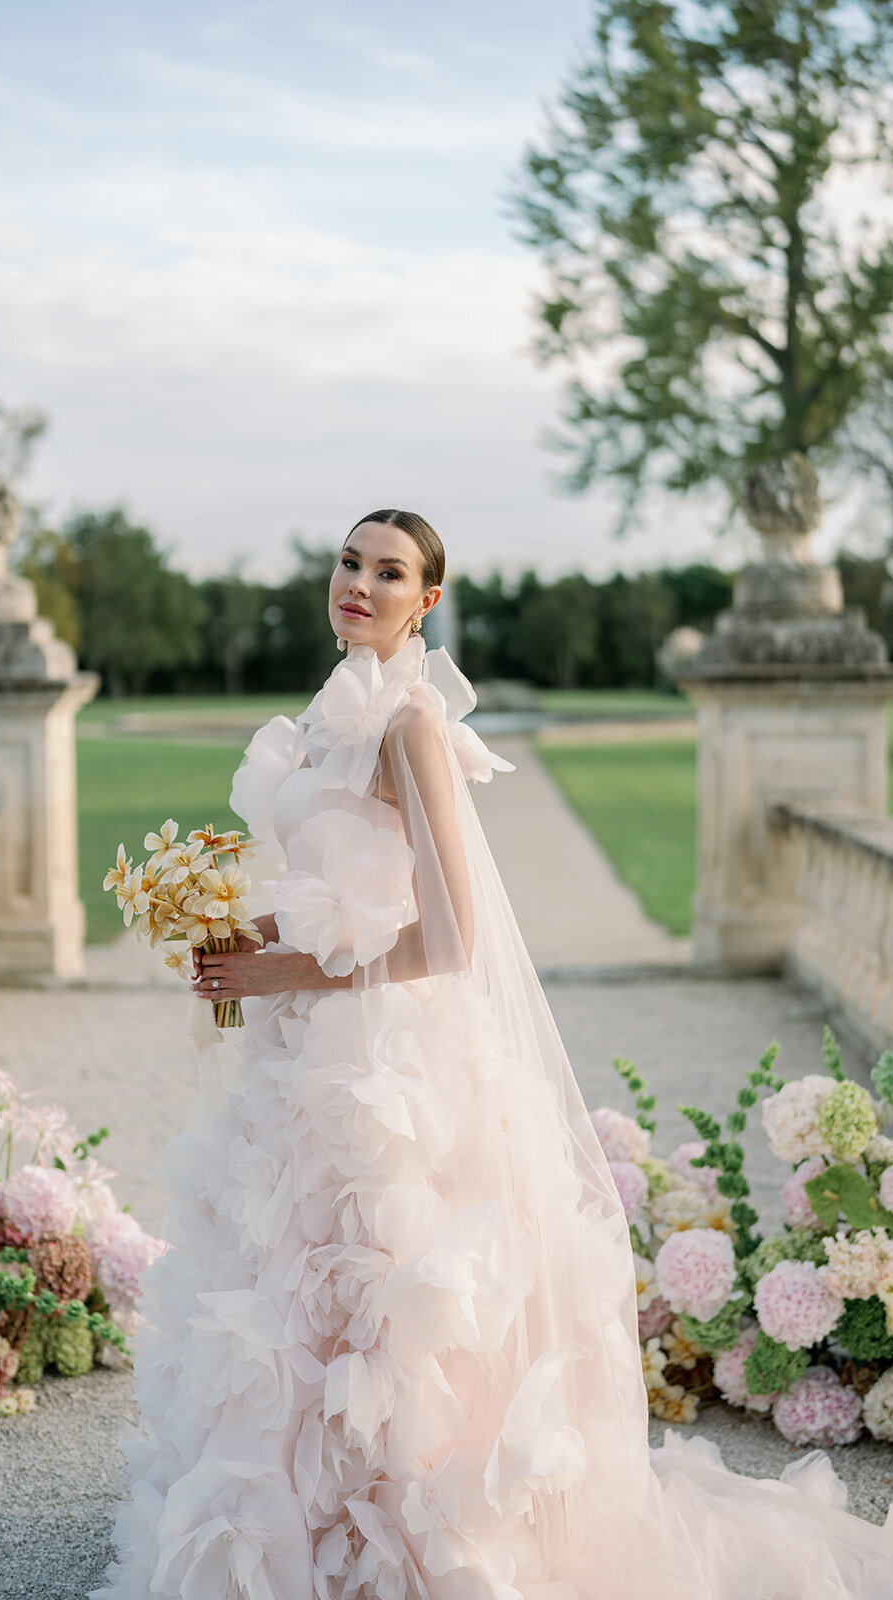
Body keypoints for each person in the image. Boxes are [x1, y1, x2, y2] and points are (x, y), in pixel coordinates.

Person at [93, 511, 893, 1599]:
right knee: (290, 1296)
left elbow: (450, 937)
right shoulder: (331, 722)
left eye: (389, 573)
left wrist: (292, 973)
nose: (360, 585)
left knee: (393, 1303)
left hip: (389, 1068)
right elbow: (344, 895)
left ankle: (408, 1534)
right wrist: (246, 941)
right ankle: (305, 1523)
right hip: (300, 1062)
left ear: (426, 600)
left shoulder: (408, 726)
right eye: (349, 562)